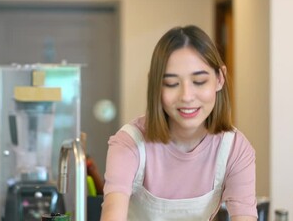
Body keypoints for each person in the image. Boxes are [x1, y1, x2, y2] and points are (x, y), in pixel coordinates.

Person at [100, 25, 257, 221]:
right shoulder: (129, 144)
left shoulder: (235, 148)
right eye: (172, 84)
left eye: (199, 81)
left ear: (219, 78)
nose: (187, 96)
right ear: (156, 85)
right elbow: (112, 214)